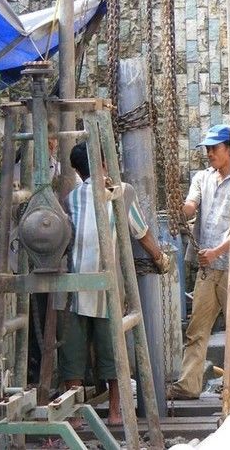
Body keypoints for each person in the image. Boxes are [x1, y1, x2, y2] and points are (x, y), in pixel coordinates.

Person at [59, 141, 170, 425]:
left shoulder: (69, 198)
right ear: (103, 164)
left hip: (74, 286)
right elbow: (141, 232)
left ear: (77, 170)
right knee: (113, 351)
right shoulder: (121, 192)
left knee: (73, 352)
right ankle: (116, 411)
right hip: (108, 288)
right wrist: (160, 258)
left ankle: (71, 414)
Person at [166, 124, 230, 400]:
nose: (209, 154)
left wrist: (217, 251)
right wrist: (178, 208)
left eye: (214, 148)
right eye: (207, 149)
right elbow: (191, 205)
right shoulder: (202, 179)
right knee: (197, 330)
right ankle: (188, 386)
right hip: (208, 270)